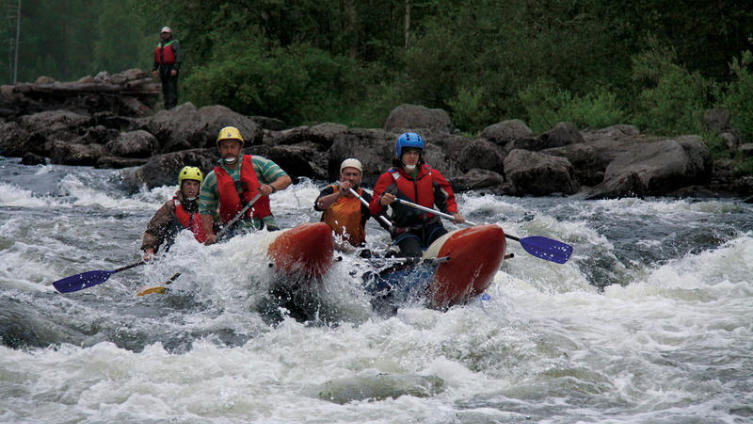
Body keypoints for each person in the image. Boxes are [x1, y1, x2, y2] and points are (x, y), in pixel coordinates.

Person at [369, 132, 464, 257]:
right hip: (405, 231)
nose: (412, 157)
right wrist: (381, 202)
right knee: (414, 256)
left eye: (416, 153)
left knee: (451, 249)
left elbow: (447, 198)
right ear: (400, 154)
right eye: (408, 152)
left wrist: (452, 212)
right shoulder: (389, 178)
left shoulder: (431, 175)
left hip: (432, 227)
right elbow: (373, 208)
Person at [199, 126, 292, 244]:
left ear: (240, 148)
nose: (229, 151)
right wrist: (209, 234)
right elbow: (205, 210)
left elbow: (286, 179)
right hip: (235, 236)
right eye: (225, 147)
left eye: (233, 147)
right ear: (219, 149)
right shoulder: (211, 178)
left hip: (266, 229)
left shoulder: (258, 163)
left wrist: (271, 188)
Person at [314, 158, 390, 248]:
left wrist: (381, 203)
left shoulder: (365, 198)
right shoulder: (331, 190)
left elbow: (384, 220)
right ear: (341, 177)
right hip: (328, 245)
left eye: (355, 175)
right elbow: (319, 205)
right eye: (348, 174)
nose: (351, 178)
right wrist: (339, 194)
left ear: (360, 178)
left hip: (354, 249)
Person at [141, 166, 206, 261]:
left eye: (195, 184)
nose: (192, 188)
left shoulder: (207, 207)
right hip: (174, 256)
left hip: (202, 253)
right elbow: (153, 231)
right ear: (182, 185)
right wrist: (149, 250)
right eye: (188, 184)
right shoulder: (171, 206)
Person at [153, 26, 181, 109]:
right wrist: (155, 68)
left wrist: (175, 68)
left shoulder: (174, 43)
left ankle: (173, 106)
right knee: (165, 88)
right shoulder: (160, 44)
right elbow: (157, 58)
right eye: (163, 34)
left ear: (170, 34)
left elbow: (178, 57)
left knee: (172, 87)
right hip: (163, 68)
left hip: (171, 67)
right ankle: (167, 106)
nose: (164, 35)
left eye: (166, 33)